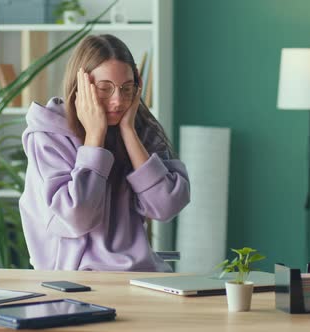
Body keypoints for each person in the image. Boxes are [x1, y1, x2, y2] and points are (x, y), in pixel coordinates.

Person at [19, 34, 190, 272]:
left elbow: (166, 207)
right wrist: (94, 138)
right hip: (74, 280)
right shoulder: (48, 136)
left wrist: (129, 131)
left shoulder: (141, 130)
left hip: (140, 274)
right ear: (81, 87)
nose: (118, 101)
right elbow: (78, 218)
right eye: (105, 88)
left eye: (126, 88)